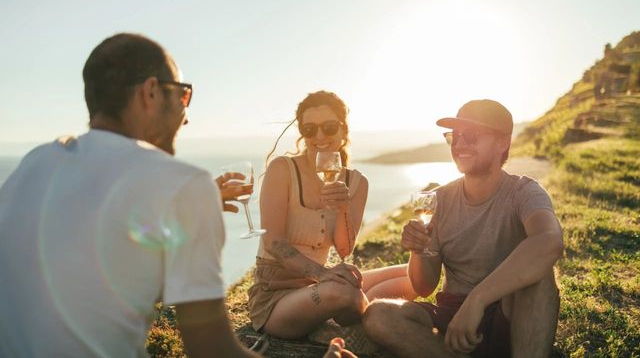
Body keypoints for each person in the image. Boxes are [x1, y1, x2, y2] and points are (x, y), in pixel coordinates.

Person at [0, 33, 351, 358]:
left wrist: (181, 209)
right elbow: (212, 351)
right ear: (150, 93)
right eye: (184, 94)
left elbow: (86, 246)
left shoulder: (37, 162)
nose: (185, 116)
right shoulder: (183, 185)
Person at [362, 99, 564, 358]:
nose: (459, 144)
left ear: (503, 142)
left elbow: (549, 241)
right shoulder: (438, 199)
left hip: (508, 312)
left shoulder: (523, 192)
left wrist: (477, 300)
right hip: (452, 316)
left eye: (472, 136)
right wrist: (419, 250)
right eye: (455, 136)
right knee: (379, 315)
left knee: (542, 279)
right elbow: (424, 287)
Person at [248, 90, 416, 340]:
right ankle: (368, 316)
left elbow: (345, 248)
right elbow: (274, 242)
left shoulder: (357, 182)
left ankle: (359, 309)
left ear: (343, 129)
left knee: (413, 274)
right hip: (276, 294)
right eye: (309, 129)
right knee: (344, 293)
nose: (319, 136)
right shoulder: (282, 169)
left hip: (317, 287)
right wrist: (323, 274)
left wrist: (342, 206)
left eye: (328, 127)